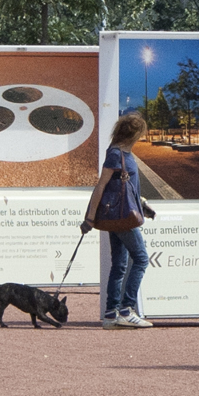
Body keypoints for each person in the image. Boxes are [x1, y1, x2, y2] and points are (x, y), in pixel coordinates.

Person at [82, 112, 157, 328]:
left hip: (119, 214)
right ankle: (126, 309)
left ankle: (110, 314)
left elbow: (124, 188)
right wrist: (89, 218)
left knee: (120, 265)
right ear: (134, 134)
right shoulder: (117, 154)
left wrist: (141, 204)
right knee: (141, 259)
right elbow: (101, 186)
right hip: (122, 217)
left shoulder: (120, 153)